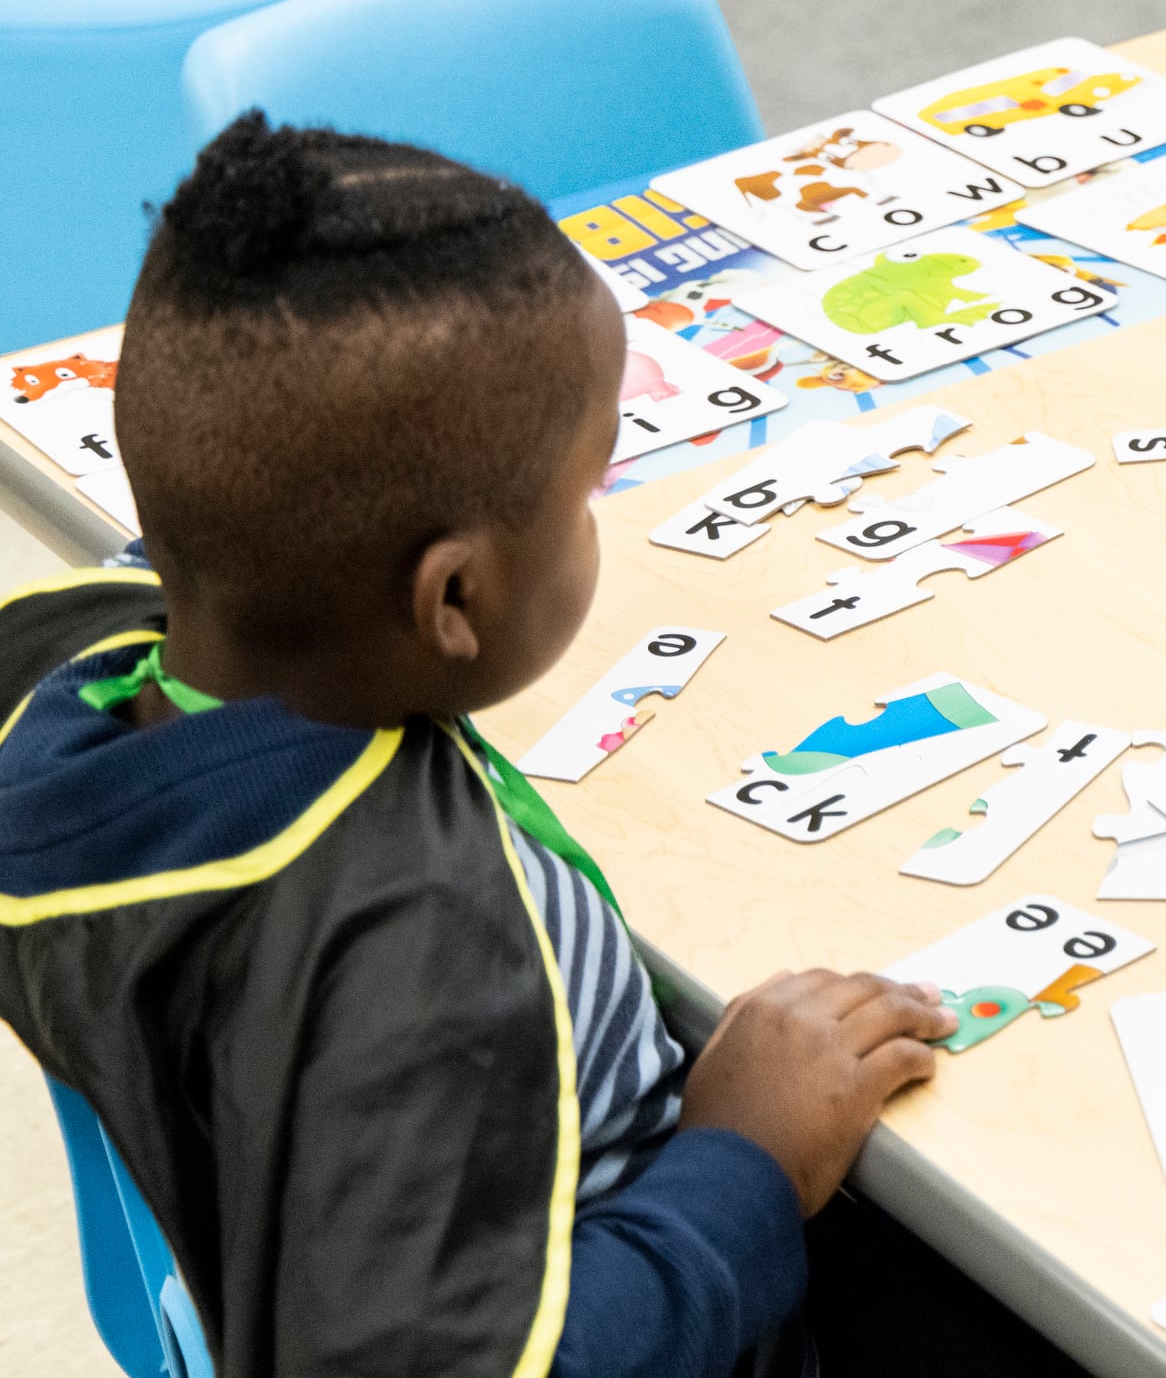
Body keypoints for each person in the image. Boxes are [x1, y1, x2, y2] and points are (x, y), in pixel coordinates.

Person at [0, 113, 957, 1378]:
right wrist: (749, 1158)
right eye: (590, 488)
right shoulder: (425, 941)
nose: (596, 510)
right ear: (454, 602)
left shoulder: (60, 664)